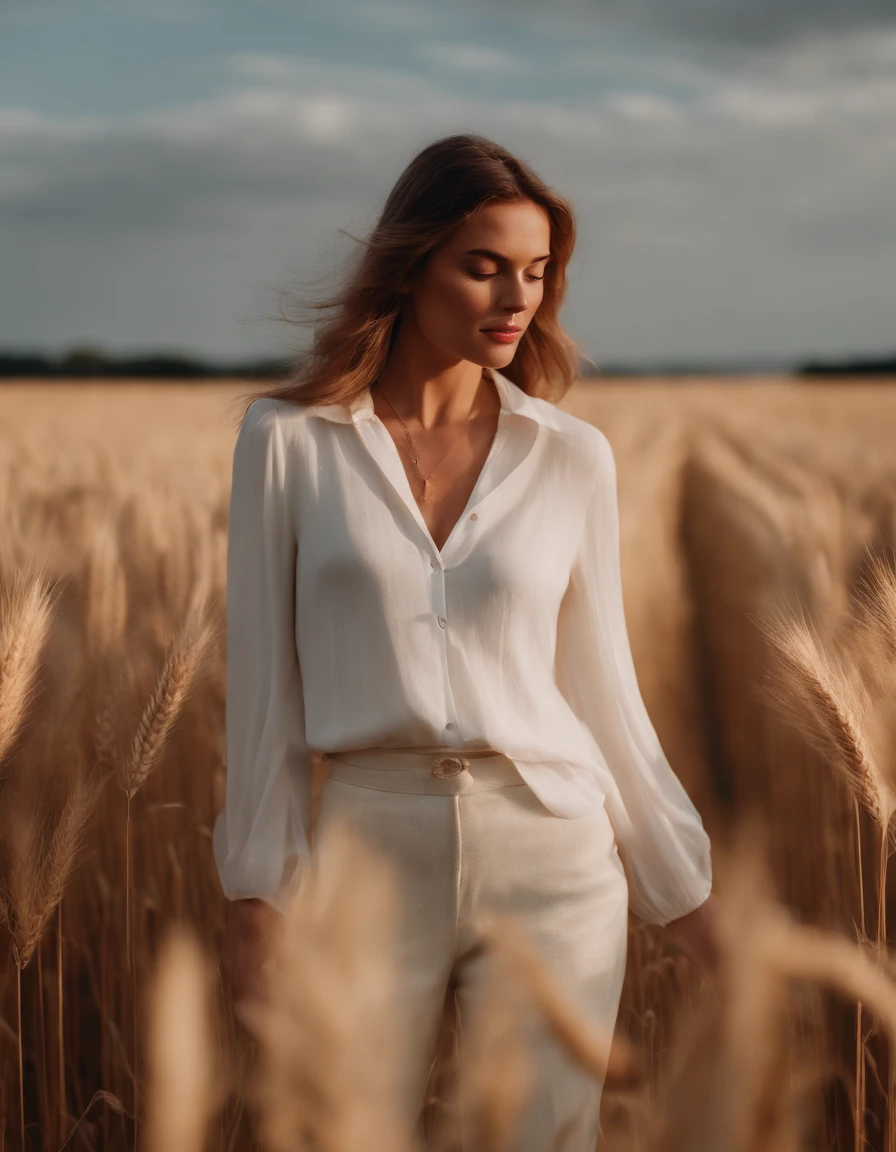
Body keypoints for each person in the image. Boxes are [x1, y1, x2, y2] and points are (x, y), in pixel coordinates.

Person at [214, 133, 718, 1149]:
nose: (514, 297)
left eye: (534, 273)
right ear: (410, 266)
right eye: (482, 266)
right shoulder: (287, 443)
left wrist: (680, 889)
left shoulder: (571, 456)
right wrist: (257, 890)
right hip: (366, 847)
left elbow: (601, 689)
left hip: (549, 850)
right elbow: (262, 689)